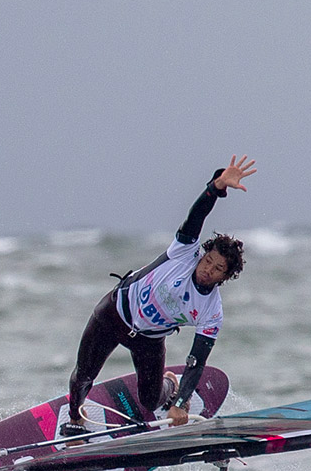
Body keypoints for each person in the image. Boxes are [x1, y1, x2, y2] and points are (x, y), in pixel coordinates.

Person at [63, 156, 255, 436]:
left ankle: (170, 386)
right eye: (208, 261)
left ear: (225, 278)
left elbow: (196, 359)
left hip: (149, 341)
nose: (207, 270)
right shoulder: (184, 251)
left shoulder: (211, 311)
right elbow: (197, 215)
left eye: (217, 270)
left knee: (151, 401)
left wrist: (178, 402)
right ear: (203, 254)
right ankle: (75, 422)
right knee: (83, 375)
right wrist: (216, 187)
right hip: (114, 314)